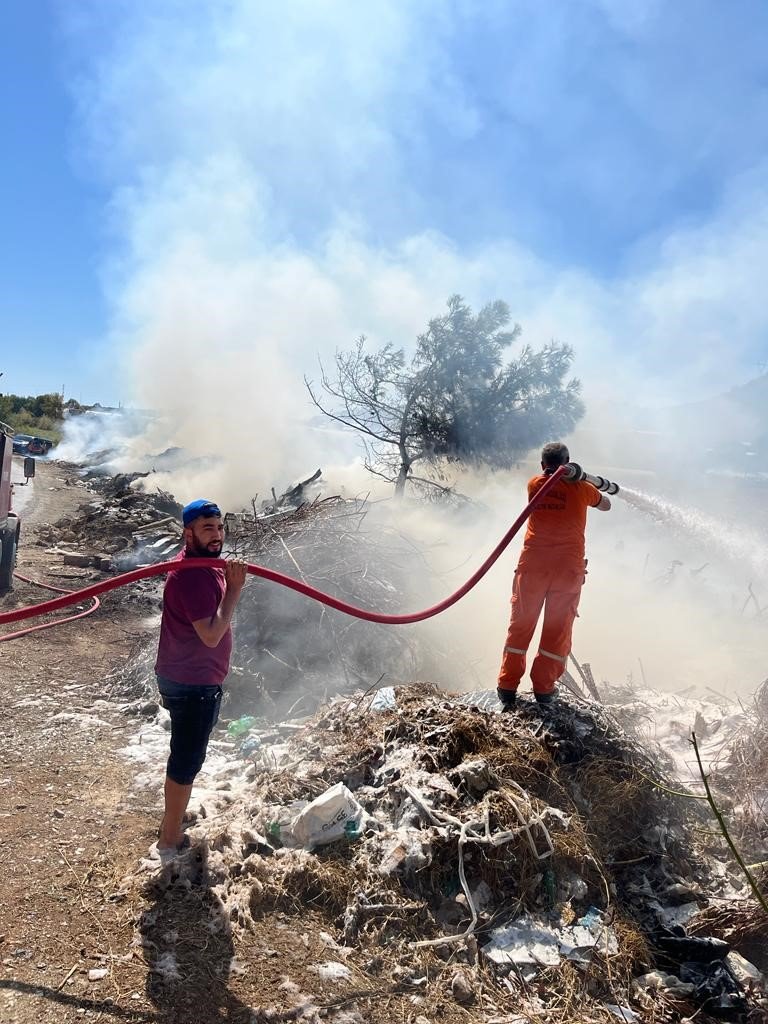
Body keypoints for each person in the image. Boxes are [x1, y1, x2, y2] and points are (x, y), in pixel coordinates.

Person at [154, 499, 247, 859]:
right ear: (188, 532)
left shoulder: (202, 565)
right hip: (191, 683)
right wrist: (235, 589)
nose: (217, 535)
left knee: (187, 755)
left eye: (220, 527)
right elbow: (211, 634)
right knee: (186, 759)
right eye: (208, 528)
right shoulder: (192, 575)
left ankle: (171, 823)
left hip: (189, 677)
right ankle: (169, 837)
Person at [497, 442, 610, 708]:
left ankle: (506, 685)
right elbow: (605, 504)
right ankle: (544, 689)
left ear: (542, 465)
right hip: (566, 571)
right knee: (557, 629)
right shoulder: (582, 488)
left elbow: (549, 483)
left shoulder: (534, 484)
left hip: (532, 567)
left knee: (521, 624)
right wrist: (583, 477)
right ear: (568, 462)